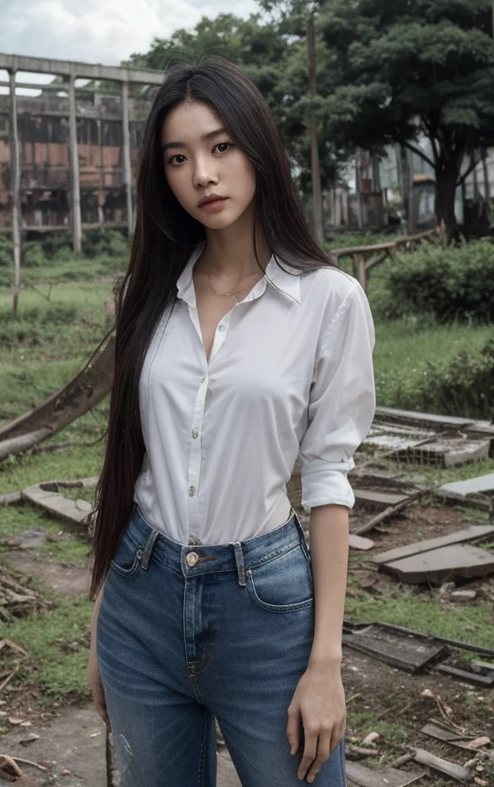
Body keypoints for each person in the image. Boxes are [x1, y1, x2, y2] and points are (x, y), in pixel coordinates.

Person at [87, 59, 376, 786]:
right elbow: (130, 463)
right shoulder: (144, 295)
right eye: (178, 158)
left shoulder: (329, 302)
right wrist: (102, 628)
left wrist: (326, 664)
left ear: (257, 149)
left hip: (266, 608)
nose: (202, 175)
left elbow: (328, 478)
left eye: (220, 148)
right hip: (139, 596)